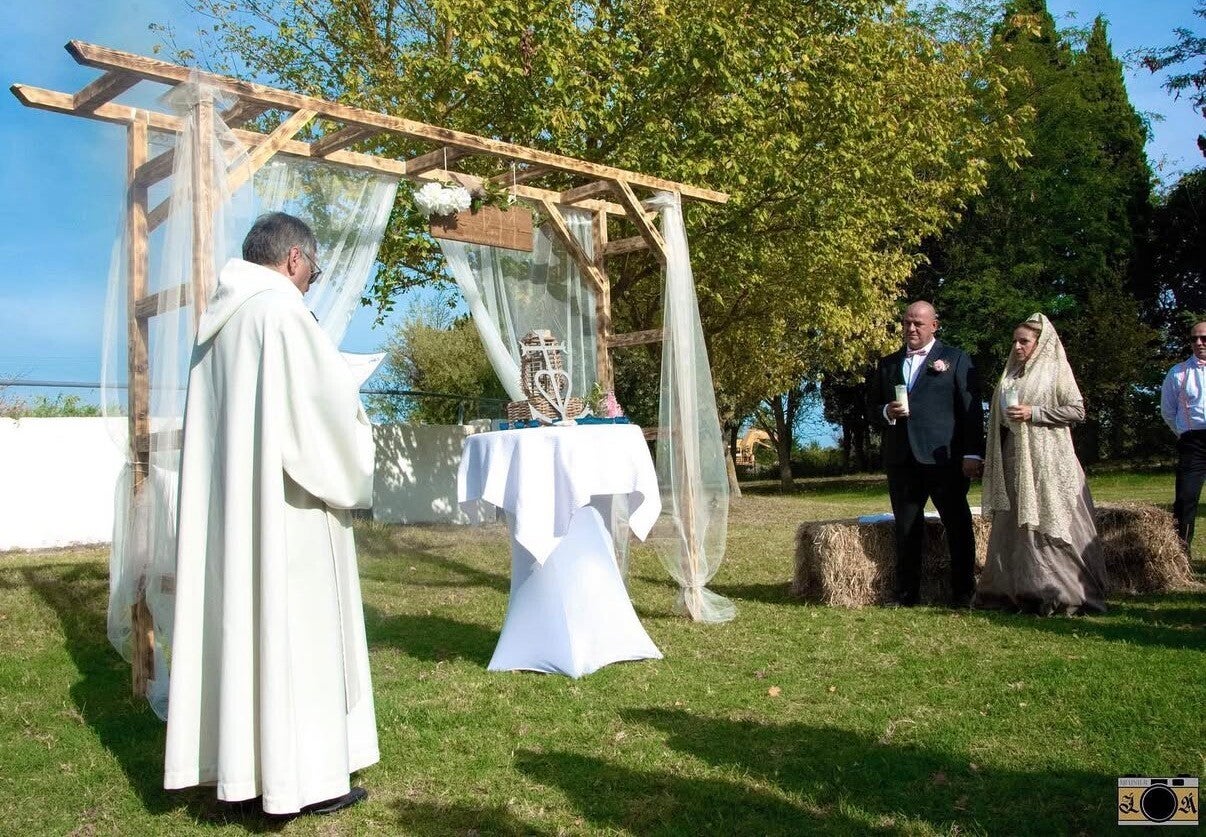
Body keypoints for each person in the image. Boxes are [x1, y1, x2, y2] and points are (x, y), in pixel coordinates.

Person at [164, 212, 379, 816]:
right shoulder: (282, 312)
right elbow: (321, 415)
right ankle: (305, 781)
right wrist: (352, 404)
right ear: (293, 259)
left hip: (237, 510)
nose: (311, 280)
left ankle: (244, 771)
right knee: (296, 632)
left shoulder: (218, 324)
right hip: (289, 509)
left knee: (243, 626)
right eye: (314, 269)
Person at [976, 314, 1107, 615]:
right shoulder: (1010, 374)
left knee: (1048, 517)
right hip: (1015, 456)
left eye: (1024, 341)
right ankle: (1013, 590)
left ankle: (1060, 593)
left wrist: (1034, 412)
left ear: (1041, 343)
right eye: (1014, 341)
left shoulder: (1055, 370)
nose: (1017, 347)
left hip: (1048, 458)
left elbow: (1076, 410)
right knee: (1016, 525)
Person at [870, 301, 984, 607]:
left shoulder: (955, 359)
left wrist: (973, 453)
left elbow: (970, 409)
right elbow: (871, 407)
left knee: (957, 525)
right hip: (902, 458)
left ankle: (963, 593)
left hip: (944, 458)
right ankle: (906, 594)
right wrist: (886, 411)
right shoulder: (888, 364)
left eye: (918, 323)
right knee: (906, 528)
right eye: (907, 322)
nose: (911, 328)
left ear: (934, 325)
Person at [1160, 321, 1206, 553]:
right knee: (1185, 500)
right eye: (1194, 338)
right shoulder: (1178, 372)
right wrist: (1184, 432)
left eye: (1204, 338)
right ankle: (1181, 558)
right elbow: (1168, 411)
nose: (1199, 343)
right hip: (1193, 443)